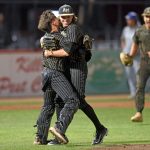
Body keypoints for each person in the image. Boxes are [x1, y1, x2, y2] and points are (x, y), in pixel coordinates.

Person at [44, 4, 108, 145]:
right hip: (67, 67)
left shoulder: (73, 29)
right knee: (64, 99)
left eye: (68, 16)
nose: (65, 19)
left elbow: (67, 52)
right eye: (63, 17)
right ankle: (98, 129)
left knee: (77, 100)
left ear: (73, 17)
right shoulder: (63, 29)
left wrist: (50, 53)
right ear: (59, 18)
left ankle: (61, 130)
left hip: (77, 67)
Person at [34, 10, 80, 145]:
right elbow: (67, 51)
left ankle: (40, 137)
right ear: (53, 21)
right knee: (72, 100)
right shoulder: (59, 37)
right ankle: (59, 128)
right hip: (55, 74)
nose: (59, 19)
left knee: (48, 106)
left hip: (46, 74)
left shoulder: (45, 37)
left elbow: (44, 40)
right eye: (57, 17)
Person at [120, 7, 150, 122]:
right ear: (143, 17)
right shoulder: (139, 31)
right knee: (139, 87)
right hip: (144, 63)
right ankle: (139, 113)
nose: (148, 19)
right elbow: (135, 45)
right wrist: (130, 56)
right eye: (146, 16)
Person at [121, 11, 140, 99]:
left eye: (129, 19)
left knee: (138, 74)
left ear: (134, 20)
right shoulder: (125, 29)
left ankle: (140, 92)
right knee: (129, 75)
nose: (127, 20)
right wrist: (124, 49)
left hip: (137, 56)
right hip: (127, 56)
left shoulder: (140, 29)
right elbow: (122, 40)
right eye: (127, 19)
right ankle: (133, 93)